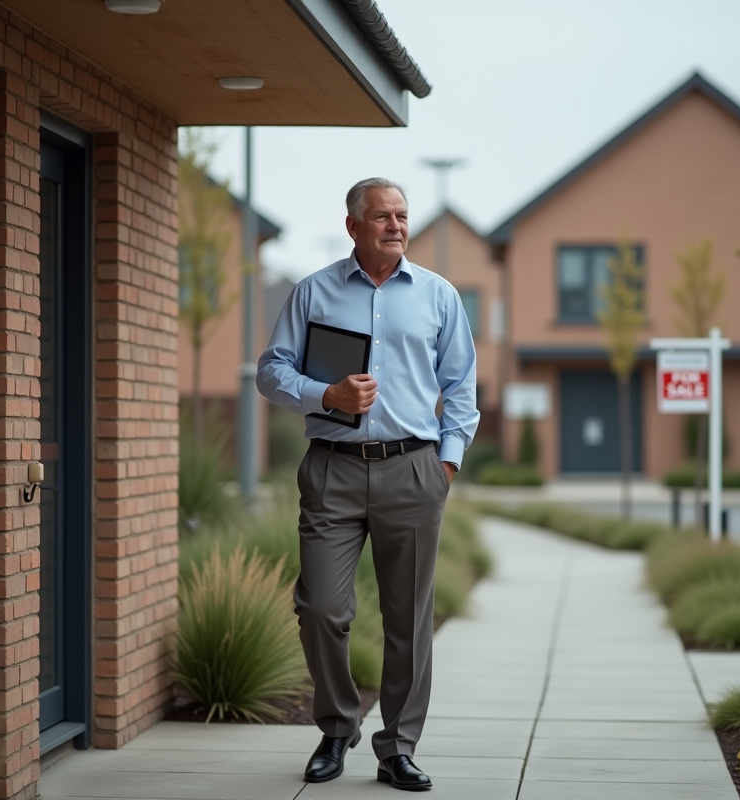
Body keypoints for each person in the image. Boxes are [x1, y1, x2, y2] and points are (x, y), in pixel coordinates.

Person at [256, 177, 478, 791]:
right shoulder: (314, 292)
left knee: (409, 619)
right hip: (332, 467)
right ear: (353, 225)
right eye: (382, 216)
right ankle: (337, 727)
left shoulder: (438, 296)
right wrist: (322, 393)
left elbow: (460, 386)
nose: (396, 226)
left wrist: (447, 461)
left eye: (402, 216)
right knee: (322, 607)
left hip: (414, 468)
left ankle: (398, 746)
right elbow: (270, 371)